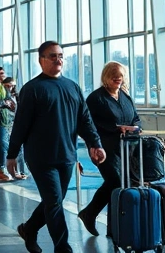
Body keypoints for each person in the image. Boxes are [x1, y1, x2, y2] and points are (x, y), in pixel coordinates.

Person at [7, 41, 105, 253]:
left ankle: (29, 229)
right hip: (41, 158)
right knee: (53, 202)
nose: (58, 59)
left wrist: (95, 144)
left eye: (60, 55)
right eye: (52, 56)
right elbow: (21, 124)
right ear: (41, 60)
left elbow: (85, 120)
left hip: (66, 156)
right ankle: (63, 248)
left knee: (55, 201)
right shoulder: (32, 89)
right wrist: (12, 154)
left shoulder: (73, 87)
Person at [77, 61, 141, 236]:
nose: (118, 79)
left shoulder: (125, 97)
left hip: (127, 148)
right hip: (104, 148)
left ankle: (113, 227)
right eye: (114, 76)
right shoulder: (96, 98)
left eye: (120, 76)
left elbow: (135, 118)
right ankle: (90, 213)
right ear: (106, 77)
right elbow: (86, 124)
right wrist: (114, 130)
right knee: (115, 181)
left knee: (121, 185)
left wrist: (135, 127)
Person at [2, 76, 28, 180]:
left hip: (16, 124)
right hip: (6, 124)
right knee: (6, 148)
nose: (11, 88)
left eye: (12, 86)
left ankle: (21, 171)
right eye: (8, 86)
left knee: (20, 148)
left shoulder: (17, 96)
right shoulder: (2, 97)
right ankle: (9, 171)